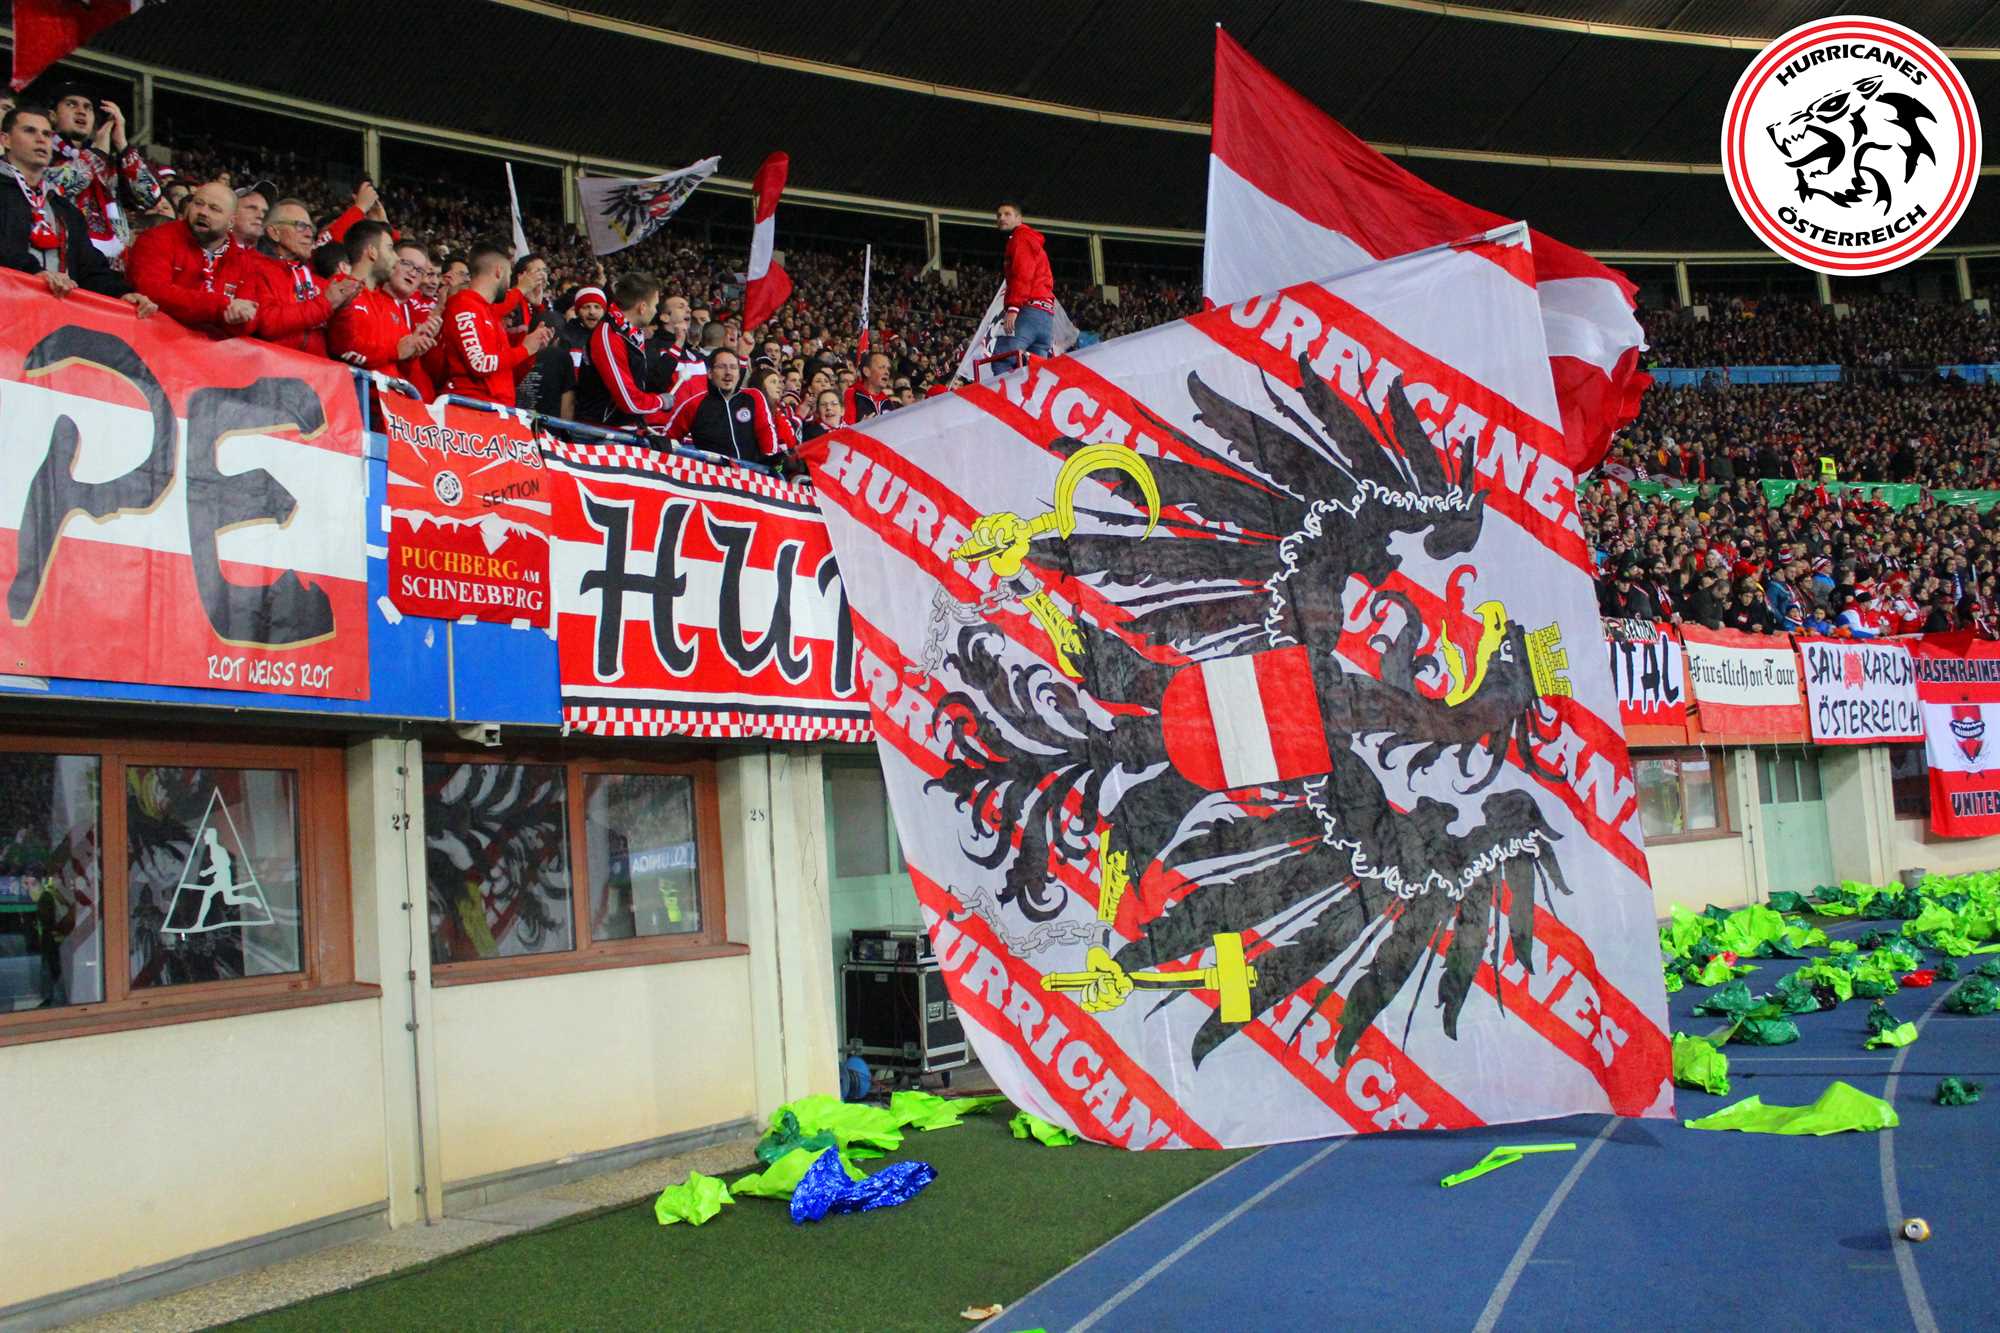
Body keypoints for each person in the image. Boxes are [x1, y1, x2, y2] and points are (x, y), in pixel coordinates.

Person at [0, 105, 151, 310]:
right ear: (5, 140)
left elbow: (89, 268)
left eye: (47, 134)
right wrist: (33, 273)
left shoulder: (63, 208)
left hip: (50, 318)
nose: (41, 139)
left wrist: (122, 294)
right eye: (29, 131)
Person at [124, 179, 262, 336]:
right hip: (153, 339)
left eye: (214, 209)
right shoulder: (157, 239)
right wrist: (220, 306)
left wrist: (239, 318)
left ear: (231, 221)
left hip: (210, 349)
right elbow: (153, 290)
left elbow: (251, 316)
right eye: (198, 203)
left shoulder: (243, 261)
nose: (203, 212)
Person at [44, 85, 160, 265]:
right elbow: (51, 188)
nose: (81, 111)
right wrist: (96, 154)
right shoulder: (41, 152)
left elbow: (150, 195)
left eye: (88, 107)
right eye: (71, 104)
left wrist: (122, 145)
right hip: (63, 263)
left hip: (111, 269)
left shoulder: (110, 163)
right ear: (52, 116)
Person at [436, 239, 553, 406]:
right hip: (472, 409)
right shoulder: (464, 306)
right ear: (499, 271)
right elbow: (480, 363)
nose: (509, 282)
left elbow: (504, 371)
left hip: (493, 408)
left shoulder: (486, 310)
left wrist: (529, 348)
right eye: (509, 275)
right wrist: (524, 349)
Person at [329, 224, 440, 397]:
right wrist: (396, 351)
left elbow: (400, 365)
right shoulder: (341, 287)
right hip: (359, 401)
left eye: (419, 270)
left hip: (392, 404)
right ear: (372, 252)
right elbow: (345, 348)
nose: (394, 258)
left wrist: (413, 350)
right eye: (390, 249)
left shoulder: (386, 304)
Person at [246, 197, 359, 356]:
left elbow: (342, 348)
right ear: (274, 233)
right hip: (272, 367)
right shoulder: (255, 268)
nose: (309, 234)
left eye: (310, 228)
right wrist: (325, 304)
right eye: (300, 226)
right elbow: (267, 323)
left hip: (315, 370)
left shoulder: (319, 281)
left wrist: (342, 309)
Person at [578, 272, 671, 428]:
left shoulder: (630, 332)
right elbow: (629, 401)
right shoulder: (609, 335)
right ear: (642, 307)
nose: (656, 311)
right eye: (655, 305)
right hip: (599, 432)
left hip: (619, 428)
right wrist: (660, 401)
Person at [663, 348, 784, 464]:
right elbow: (667, 439)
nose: (728, 373)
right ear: (710, 373)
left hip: (750, 474)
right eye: (721, 367)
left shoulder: (753, 396)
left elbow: (765, 432)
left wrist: (769, 463)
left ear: (739, 373)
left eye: (733, 367)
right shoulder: (694, 404)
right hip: (713, 476)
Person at [497, 252, 571, 418]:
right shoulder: (508, 302)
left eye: (544, 271)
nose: (543, 276)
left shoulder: (541, 305)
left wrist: (538, 306)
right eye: (537, 271)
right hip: (513, 376)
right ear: (521, 276)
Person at [992, 198, 1054, 363]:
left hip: (1028, 311)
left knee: (1002, 360)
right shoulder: (1032, 240)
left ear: (1019, 218)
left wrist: (1013, 307)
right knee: (1035, 370)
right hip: (1046, 315)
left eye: (1007, 214)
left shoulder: (1021, 238)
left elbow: (1023, 273)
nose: (1001, 218)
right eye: (999, 215)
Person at [844, 349, 892, 423]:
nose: (887, 372)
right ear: (867, 372)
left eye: (888, 369)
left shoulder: (887, 401)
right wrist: (862, 426)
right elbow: (846, 426)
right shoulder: (851, 394)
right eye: (882, 367)